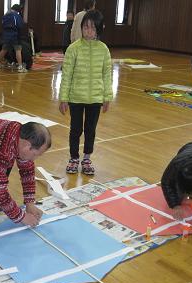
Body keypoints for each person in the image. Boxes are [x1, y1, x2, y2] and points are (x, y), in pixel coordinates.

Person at [59, 10, 112, 175]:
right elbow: (66, 75)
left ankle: (87, 158)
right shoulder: (73, 49)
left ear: (99, 30)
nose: (89, 31)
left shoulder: (103, 49)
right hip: (76, 97)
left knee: (91, 130)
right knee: (75, 130)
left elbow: (107, 74)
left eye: (92, 28)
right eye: (86, 27)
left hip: (95, 99)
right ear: (81, 28)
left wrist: (107, 97)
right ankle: (74, 158)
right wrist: (63, 98)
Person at [0, 4, 26, 73]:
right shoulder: (16, 16)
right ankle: (20, 66)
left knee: (4, 49)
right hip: (15, 35)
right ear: (17, 10)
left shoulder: (5, 16)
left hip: (6, 36)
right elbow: (20, 25)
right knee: (18, 50)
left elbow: (2, 25)